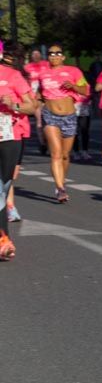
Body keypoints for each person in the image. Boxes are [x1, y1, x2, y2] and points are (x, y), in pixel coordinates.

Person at [28, 44, 89, 203]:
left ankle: (62, 181)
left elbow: (86, 90)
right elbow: (39, 94)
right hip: (50, 115)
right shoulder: (43, 74)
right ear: (47, 56)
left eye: (58, 53)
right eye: (51, 53)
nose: (54, 55)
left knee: (64, 155)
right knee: (55, 153)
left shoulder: (74, 71)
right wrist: (34, 104)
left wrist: (74, 86)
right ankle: (60, 188)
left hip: (69, 116)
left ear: (63, 56)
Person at [0, 40, 36, 257]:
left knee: (2, 189)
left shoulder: (11, 75)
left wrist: (13, 104)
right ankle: (4, 240)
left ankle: (3, 238)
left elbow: (32, 105)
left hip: (8, 137)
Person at [1, 43, 29, 224]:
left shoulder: (15, 75)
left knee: (8, 177)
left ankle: (9, 204)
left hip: (13, 131)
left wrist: (13, 106)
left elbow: (32, 105)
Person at [24, 48, 49, 155]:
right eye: (33, 54)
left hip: (47, 95)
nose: (35, 56)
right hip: (34, 97)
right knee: (39, 121)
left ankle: (48, 140)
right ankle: (42, 143)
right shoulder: (27, 67)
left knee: (48, 120)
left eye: (37, 53)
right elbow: (24, 81)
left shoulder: (47, 64)